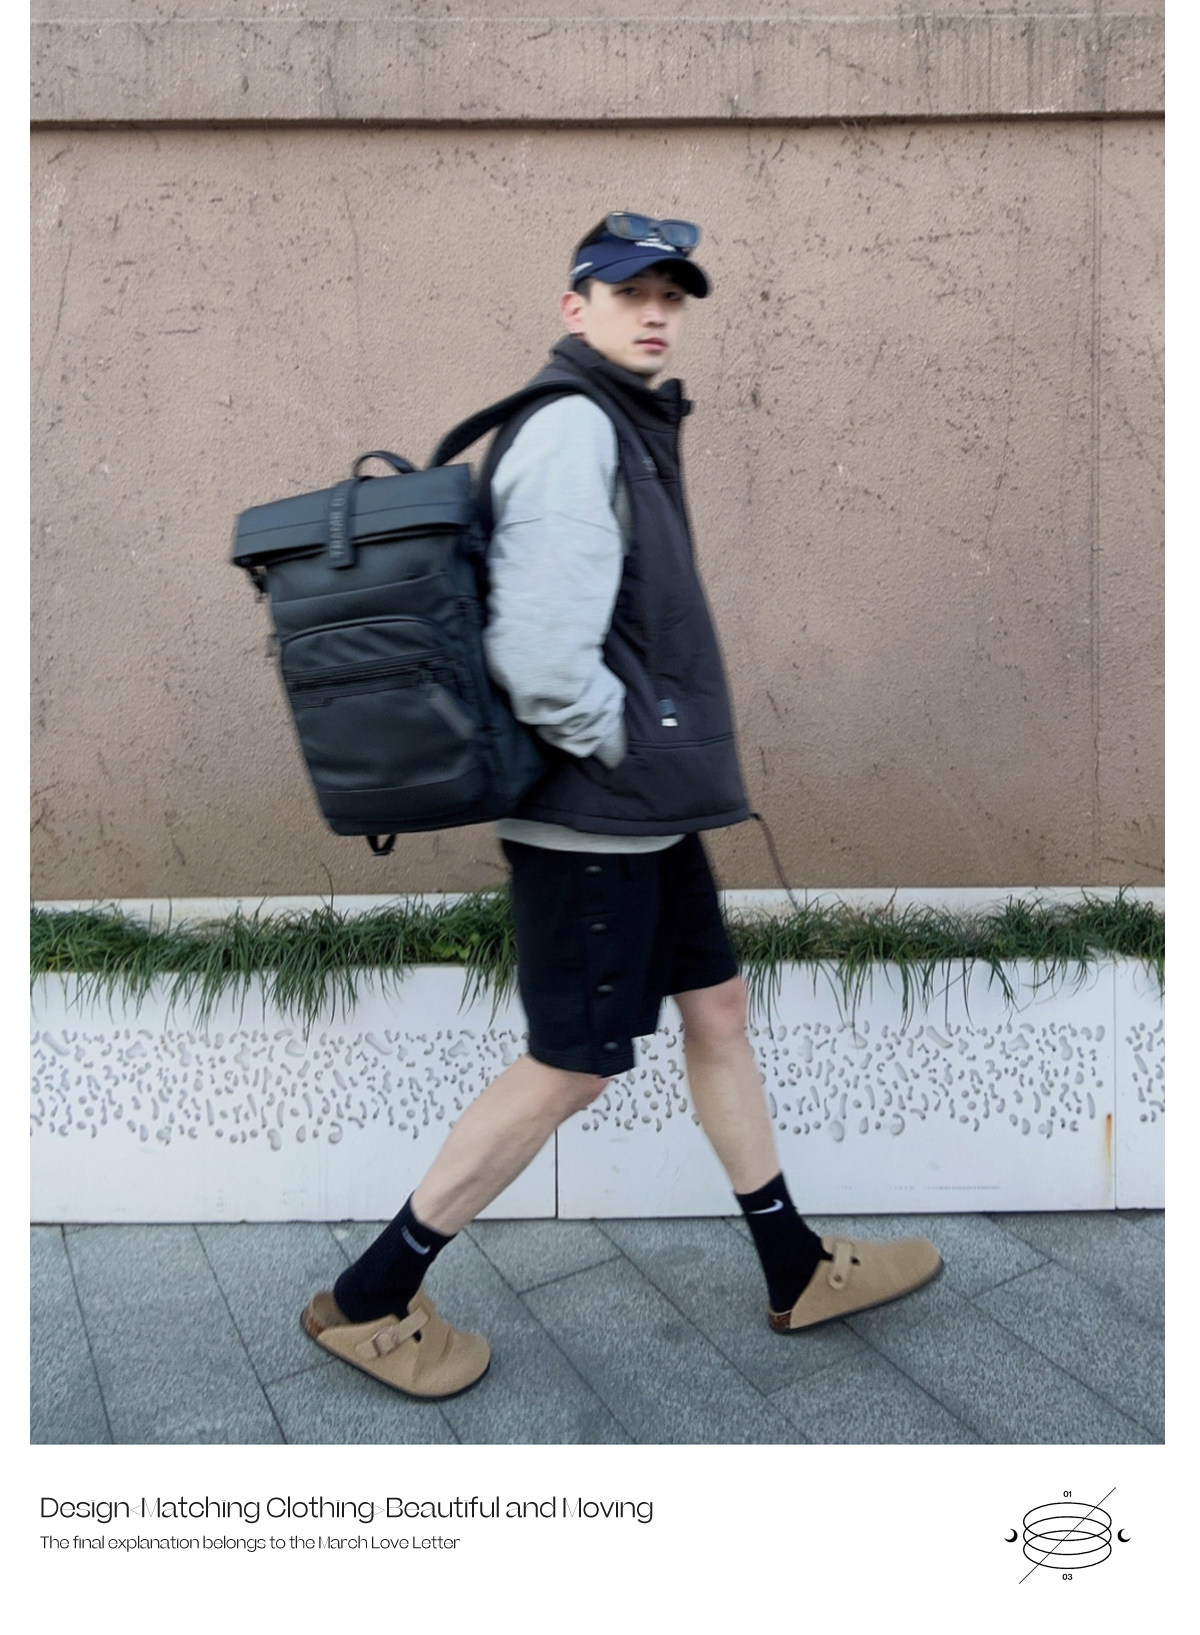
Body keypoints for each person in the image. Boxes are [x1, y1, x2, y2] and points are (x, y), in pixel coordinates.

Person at [301, 212, 941, 1398]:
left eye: (671, 294)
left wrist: (644, 759)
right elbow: (541, 659)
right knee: (572, 1065)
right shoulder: (574, 428)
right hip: (595, 817)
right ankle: (371, 1295)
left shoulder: (622, 422)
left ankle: (794, 1264)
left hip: (644, 811)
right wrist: (627, 742)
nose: (655, 312)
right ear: (575, 307)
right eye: (628, 290)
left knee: (719, 1010)